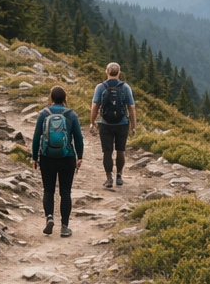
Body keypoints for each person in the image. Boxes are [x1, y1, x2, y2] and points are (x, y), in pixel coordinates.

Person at [30, 85, 84, 237]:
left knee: (48, 190)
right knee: (65, 192)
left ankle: (49, 218)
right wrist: (80, 156)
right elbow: (78, 137)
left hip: (47, 157)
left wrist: (35, 157)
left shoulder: (43, 114)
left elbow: (36, 137)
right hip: (67, 157)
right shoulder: (71, 114)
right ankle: (65, 226)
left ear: (51, 98)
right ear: (65, 98)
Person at [90, 62, 136, 188]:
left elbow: (95, 106)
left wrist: (92, 122)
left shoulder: (101, 87)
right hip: (122, 123)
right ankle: (119, 176)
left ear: (107, 71)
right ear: (119, 72)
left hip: (105, 123)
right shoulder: (125, 87)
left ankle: (109, 178)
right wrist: (133, 126)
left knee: (107, 151)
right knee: (120, 150)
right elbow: (131, 107)